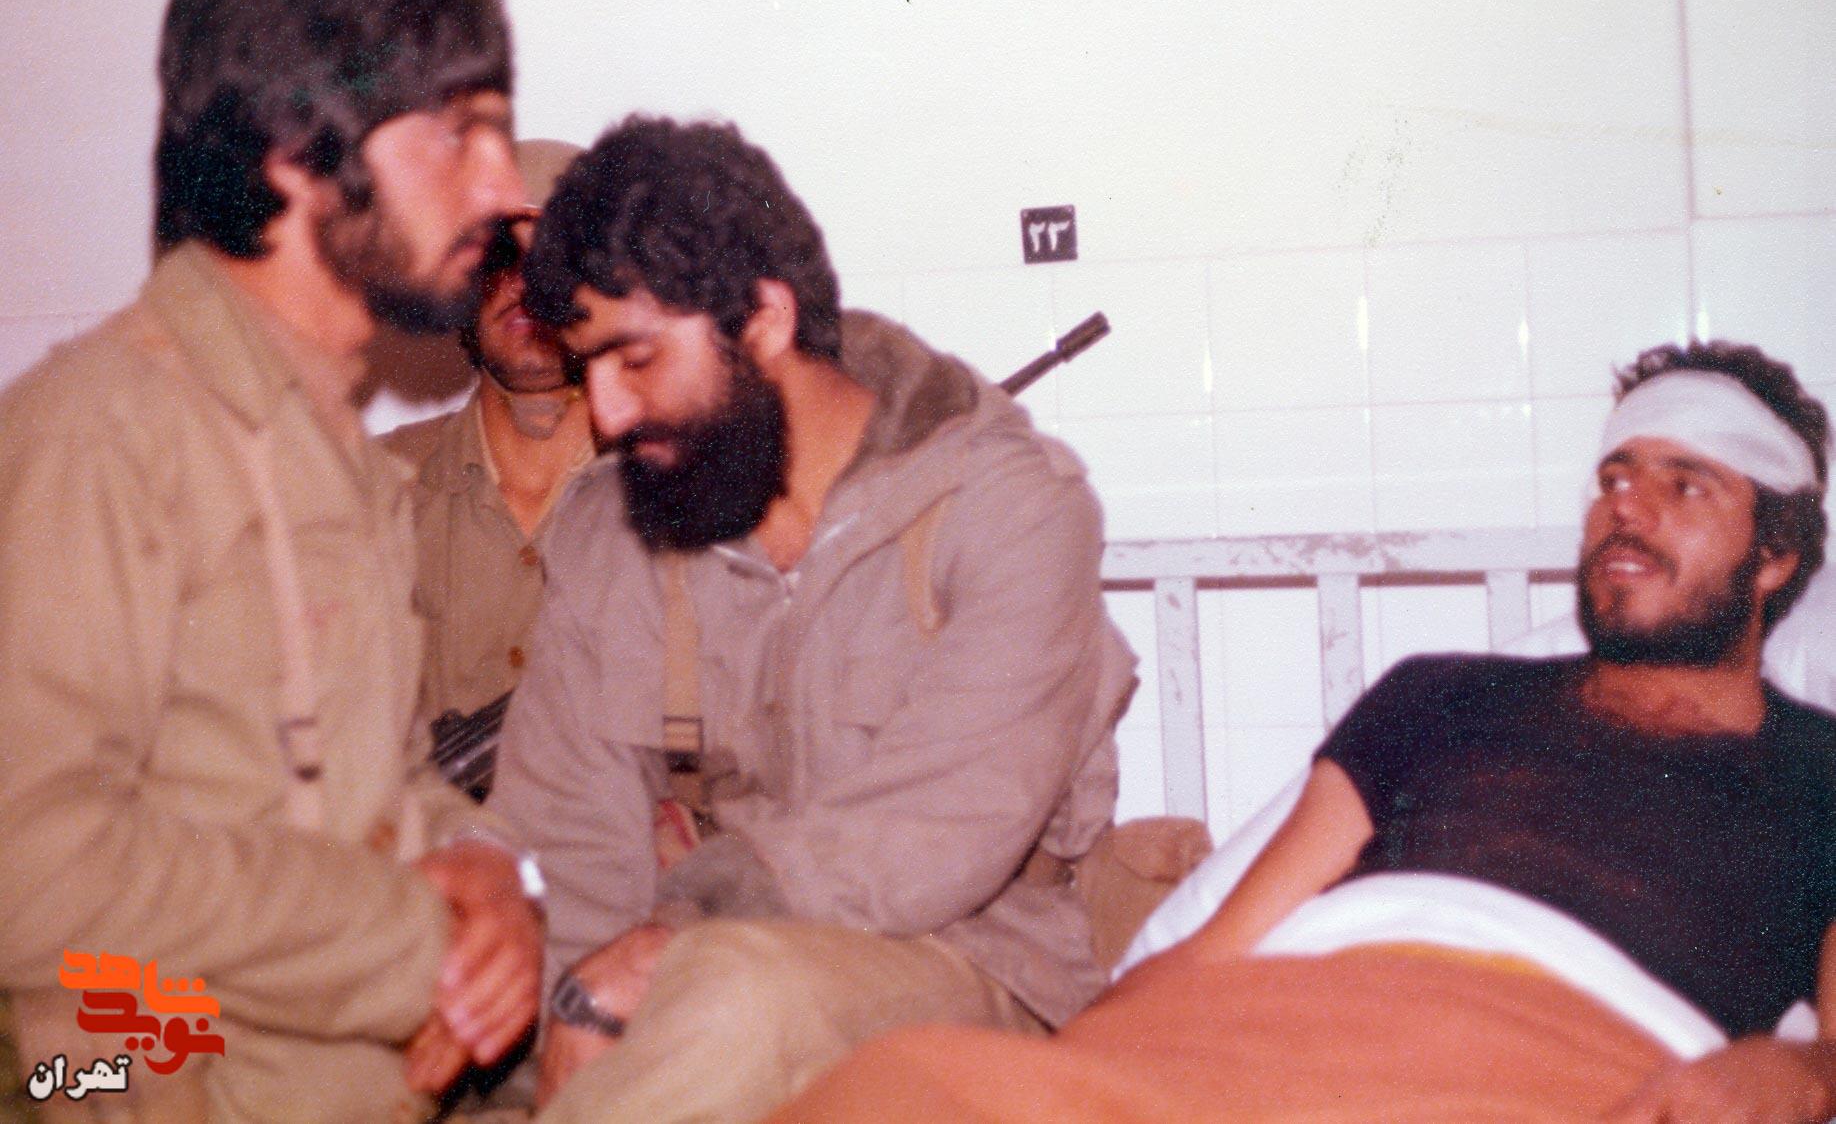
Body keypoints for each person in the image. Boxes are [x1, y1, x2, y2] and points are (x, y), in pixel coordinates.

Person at [776, 340, 1836, 1124]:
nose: (1628, 508)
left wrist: (1797, 1071)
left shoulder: (1819, 770)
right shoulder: (1443, 695)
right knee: (903, 1084)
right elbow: (1220, 941)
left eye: (1686, 484)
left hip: (1560, 1057)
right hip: (1275, 1016)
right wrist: (1085, 1065)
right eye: (1616, 477)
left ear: (1778, 556)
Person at [0, 0, 542, 1120]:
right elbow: (27, 866)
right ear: (297, 151)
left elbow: (369, 791)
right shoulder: (102, 432)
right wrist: (409, 945)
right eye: (460, 133)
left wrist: (492, 876)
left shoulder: (334, 449)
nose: (505, 188)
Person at [487, 116, 1132, 1123]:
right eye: (587, 368)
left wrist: (675, 934)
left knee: (730, 999)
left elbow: (935, 831)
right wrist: (559, 1006)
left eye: (636, 360)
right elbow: (565, 834)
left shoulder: (1013, 508)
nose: (604, 413)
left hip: (968, 964)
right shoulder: (617, 529)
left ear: (764, 320)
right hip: (684, 973)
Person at [385, 138, 593, 803]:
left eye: (554, 260)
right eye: (498, 255)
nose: (525, 284)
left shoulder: (682, 499)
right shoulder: (369, 491)